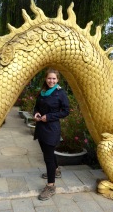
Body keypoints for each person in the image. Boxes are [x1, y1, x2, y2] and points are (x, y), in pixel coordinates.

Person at [33, 68, 69, 200]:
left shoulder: (60, 93)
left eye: (54, 78)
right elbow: (36, 107)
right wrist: (36, 113)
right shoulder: (42, 92)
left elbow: (65, 111)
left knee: (48, 158)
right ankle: (56, 170)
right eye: (49, 78)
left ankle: (51, 186)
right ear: (46, 79)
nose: (51, 81)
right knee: (48, 153)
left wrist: (49, 117)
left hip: (51, 129)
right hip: (41, 128)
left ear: (57, 79)